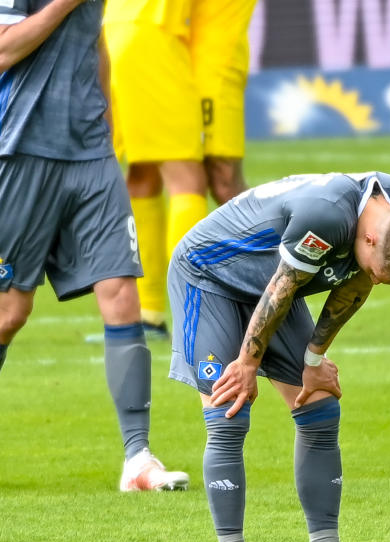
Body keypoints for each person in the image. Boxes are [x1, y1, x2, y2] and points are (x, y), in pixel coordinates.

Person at [167, 171, 390, 542]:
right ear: (368, 240)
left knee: (320, 408)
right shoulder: (327, 216)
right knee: (229, 413)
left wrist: (313, 361)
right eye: (379, 271)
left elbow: (356, 282)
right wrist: (248, 364)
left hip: (275, 286)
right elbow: (282, 287)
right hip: (209, 275)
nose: (376, 280)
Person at [0, 0, 188, 491]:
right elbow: (2, 50)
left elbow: (96, 38)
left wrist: (104, 121)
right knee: (8, 314)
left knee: (123, 296)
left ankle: (138, 458)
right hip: (17, 150)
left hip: (90, 154)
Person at [103, 0, 209, 338]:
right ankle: (193, 312)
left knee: (142, 175)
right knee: (186, 177)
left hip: (116, 28)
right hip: (154, 31)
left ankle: (148, 313)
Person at [190, 0, 258, 206]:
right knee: (147, 172)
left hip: (214, 67)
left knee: (223, 180)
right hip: (171, 59)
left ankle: (276, 238)